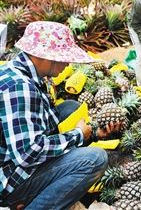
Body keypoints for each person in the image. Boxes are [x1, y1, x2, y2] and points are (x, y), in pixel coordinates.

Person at [0, 21, 120, 209]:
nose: (68, 63)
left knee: (70, 107)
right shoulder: (20, 87)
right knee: (95, 159)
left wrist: (93, 135)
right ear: (46, 57)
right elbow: (28, 154)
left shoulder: (19, 71)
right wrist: (78, 135)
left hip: (11, 158)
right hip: (10, 181)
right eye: (65, 57)